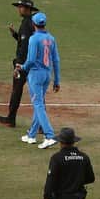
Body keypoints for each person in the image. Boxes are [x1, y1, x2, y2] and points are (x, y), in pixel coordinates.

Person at [16, 12, 61, 149]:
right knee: (39, 103)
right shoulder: (51, 39)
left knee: (38, 105)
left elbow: (30, 60)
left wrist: (21, 67)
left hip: (35, 75)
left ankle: (49, 135)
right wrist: (57, 80)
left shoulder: (34, 39)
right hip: (47, 75)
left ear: (33, 24)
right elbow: (56, 60)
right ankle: (31, 135)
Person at [0, 0, 39, 127]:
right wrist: (15, 34)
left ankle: (11, 119)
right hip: (33, 63)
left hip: (24, 63)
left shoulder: (27, 24)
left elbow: (25, 46)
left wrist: (18, 64)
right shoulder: (31, 22)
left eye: (21, 7)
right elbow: (26, 42)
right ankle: (40, 125)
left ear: (27, 9)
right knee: (36, 94)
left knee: (17, 90)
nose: (19, 9)